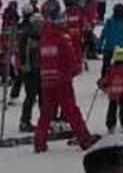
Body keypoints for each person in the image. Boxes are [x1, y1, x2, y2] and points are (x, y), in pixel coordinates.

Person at [33, 20, 95, 152]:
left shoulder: (43, 41)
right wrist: (73, 72)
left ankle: (39, 142)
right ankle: (84, 139)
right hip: (61, 81)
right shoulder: (62, 40)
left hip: (46, 81)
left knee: (46, 113)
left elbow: (39, 61)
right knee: (71, 111)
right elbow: (72, 62)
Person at [17, 12, 42, 132]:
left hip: (40, 69)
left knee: (43, 97)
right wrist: (24, 65)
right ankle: (25, 121)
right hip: (31, 70)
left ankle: (45, 120)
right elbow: (23, 53)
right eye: (36, 23)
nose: (39, 25)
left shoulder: (41, 35)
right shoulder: (28, 35)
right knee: (31, 96)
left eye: (40, 23)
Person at [98, 3, 123, 79]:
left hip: (113, 47)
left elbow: (104, 33)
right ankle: (109, 80)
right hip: (116, 48)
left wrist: (100, 44)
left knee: (111, 66)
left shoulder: (114, 21)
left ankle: (108, 80)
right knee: (114, 66)